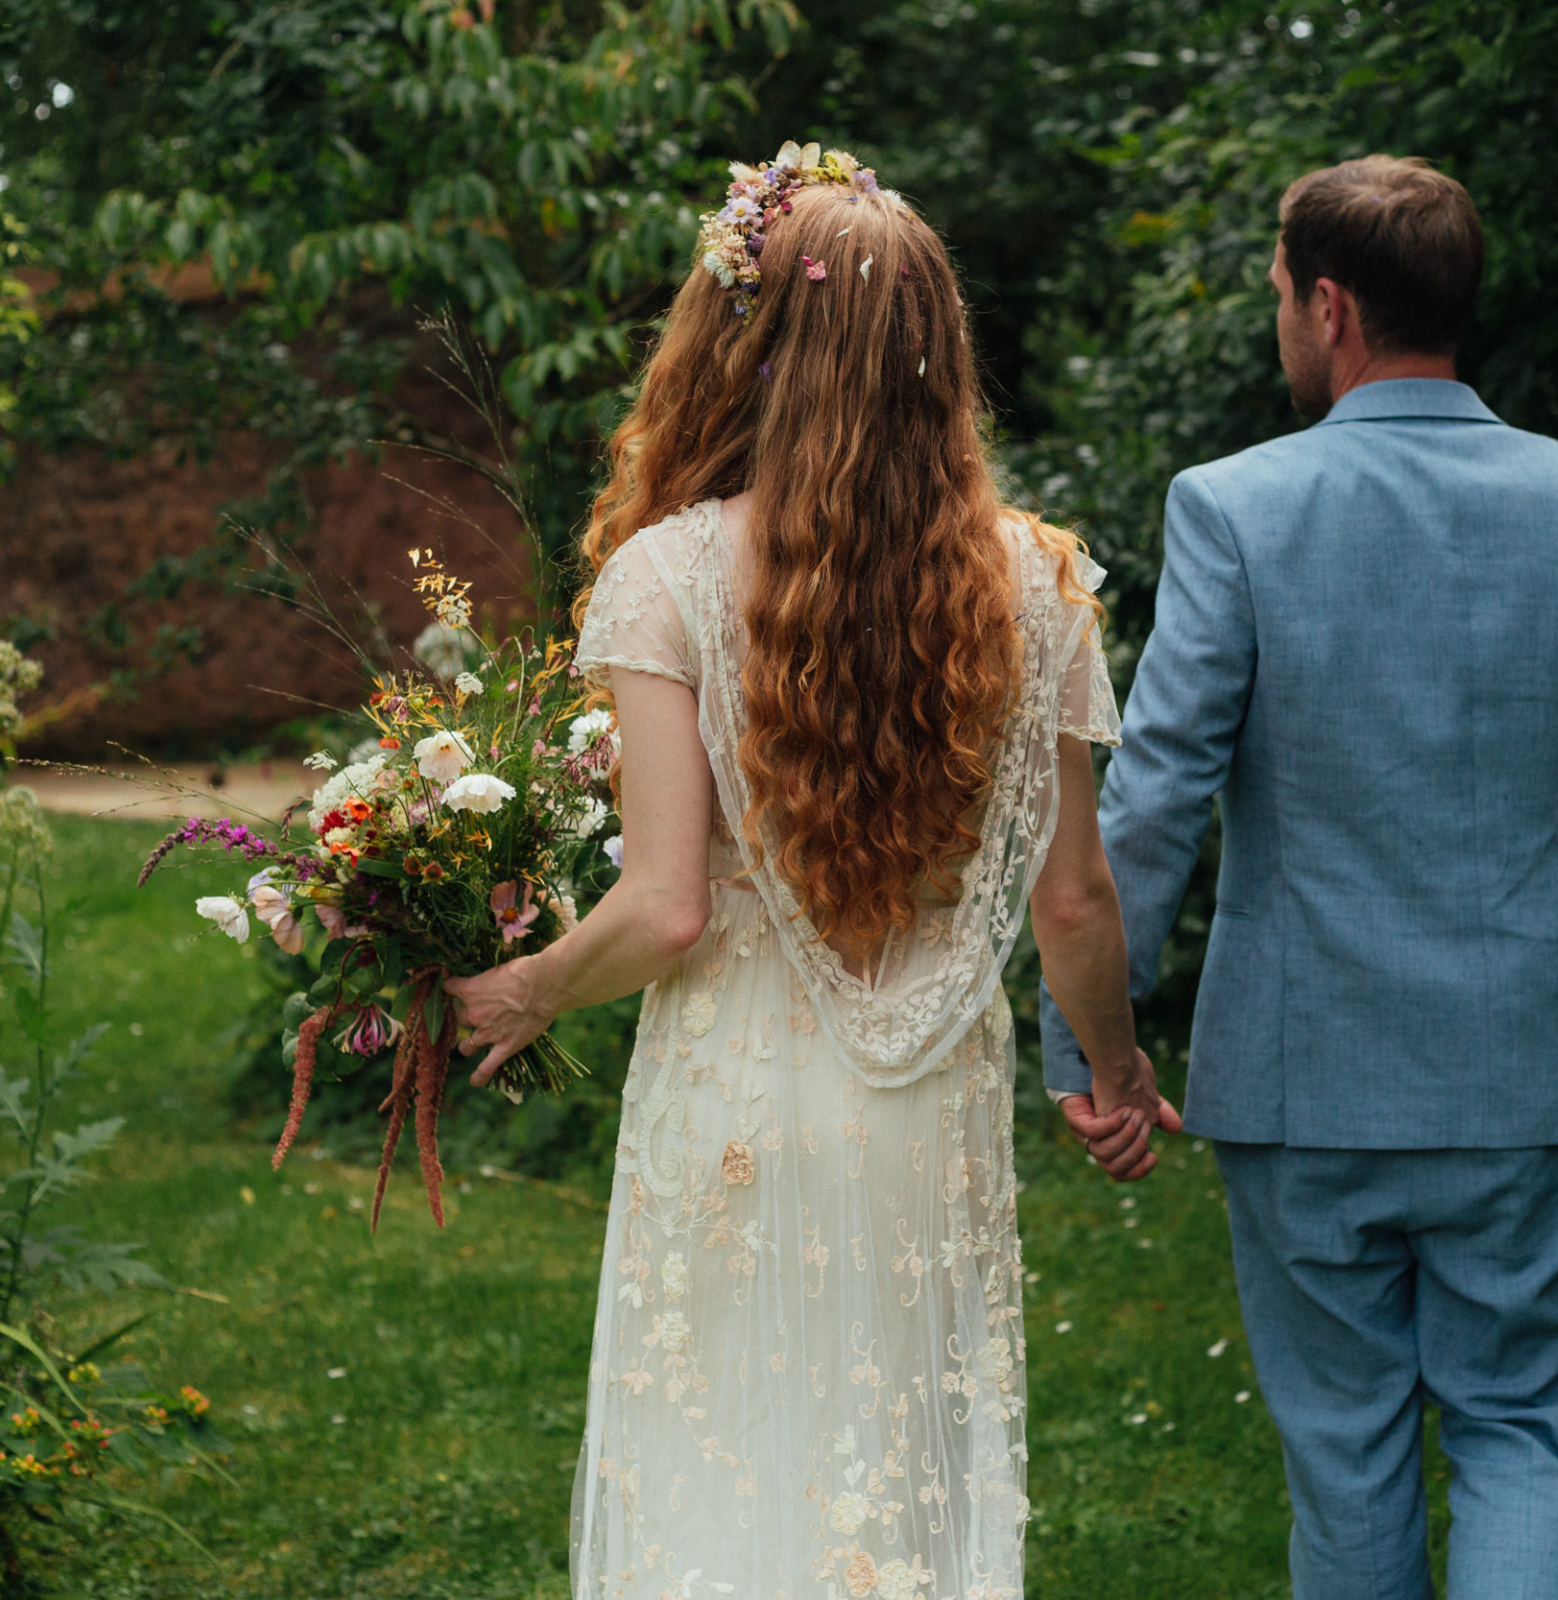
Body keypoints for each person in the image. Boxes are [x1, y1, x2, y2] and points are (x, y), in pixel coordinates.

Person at [445, 141, 1175, 1600]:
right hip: (930, 1110)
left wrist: (530, 988)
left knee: (720, 1467)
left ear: (750, 346)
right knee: (897, 1483)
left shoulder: (668, 577)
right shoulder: (1039, 584)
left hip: (733, 1096)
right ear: (938, 353)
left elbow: (666, 907)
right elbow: (1075, 897)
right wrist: (1115, 1069)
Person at [1040, 154, 1558, 1599]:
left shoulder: (1236, 508)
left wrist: (1090, 1044)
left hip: (1308, 1079)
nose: (1279, 317)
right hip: (1540, 1063)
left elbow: (1156, 797)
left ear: (1330, 306)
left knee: (1346, 1454)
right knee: (1525, 1431)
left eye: (1281, 292)